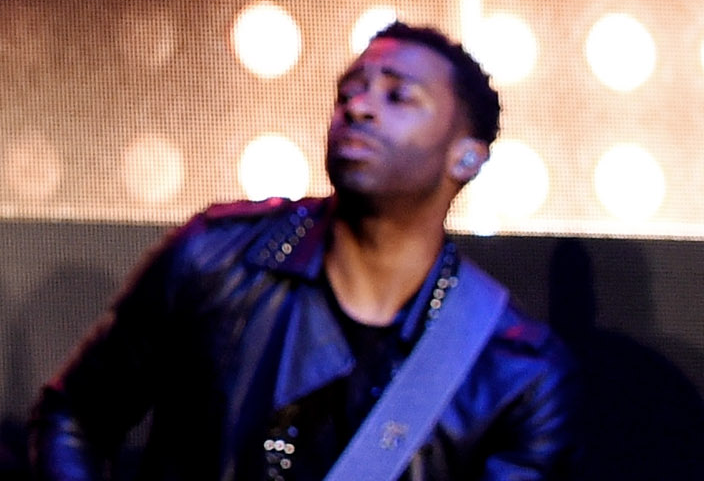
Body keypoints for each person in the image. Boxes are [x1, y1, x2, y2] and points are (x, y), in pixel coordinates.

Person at [31, 24, 571, 478]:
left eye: (398, 96)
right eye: (349, 91)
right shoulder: (215, 259)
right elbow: (73, 416)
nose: (359, 107)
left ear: (466, 158)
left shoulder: (515, 371)